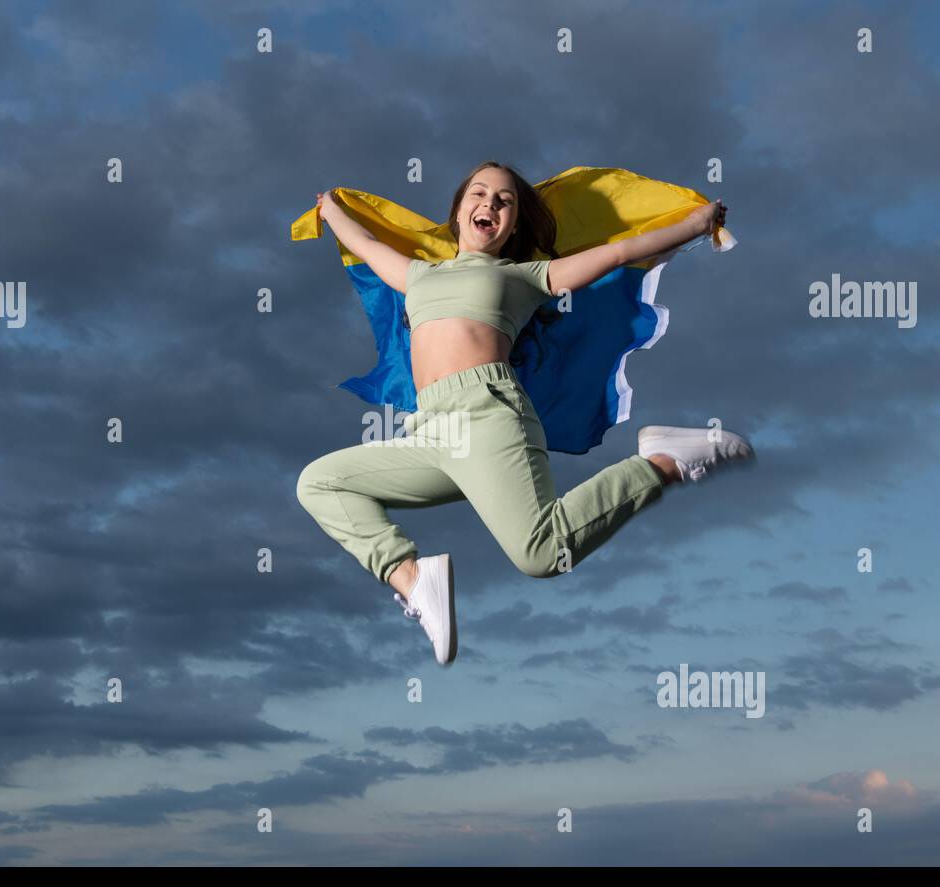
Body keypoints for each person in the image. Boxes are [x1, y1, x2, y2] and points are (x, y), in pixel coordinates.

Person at [296, 161, 755, 666]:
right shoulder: (418, 275)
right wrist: (331, 209)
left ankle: (661, 463)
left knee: (540, 554)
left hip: (488, 415)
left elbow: (619, 252)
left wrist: (697, 223)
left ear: (513, 224)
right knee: (320, 482)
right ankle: (410, 579)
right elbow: (366, 244)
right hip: (429, 431)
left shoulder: (526, 277)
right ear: (458, 211)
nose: (489, 204)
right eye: (479, 194)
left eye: (504, 200)